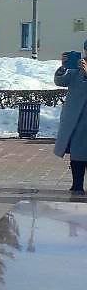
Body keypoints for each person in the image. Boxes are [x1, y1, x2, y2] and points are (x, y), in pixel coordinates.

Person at [54, 44, 87, 194]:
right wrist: (63, 68)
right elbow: (61, 81)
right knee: (78, 152)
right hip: (77, 119)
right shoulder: (77, 68)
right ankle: (77, 185)